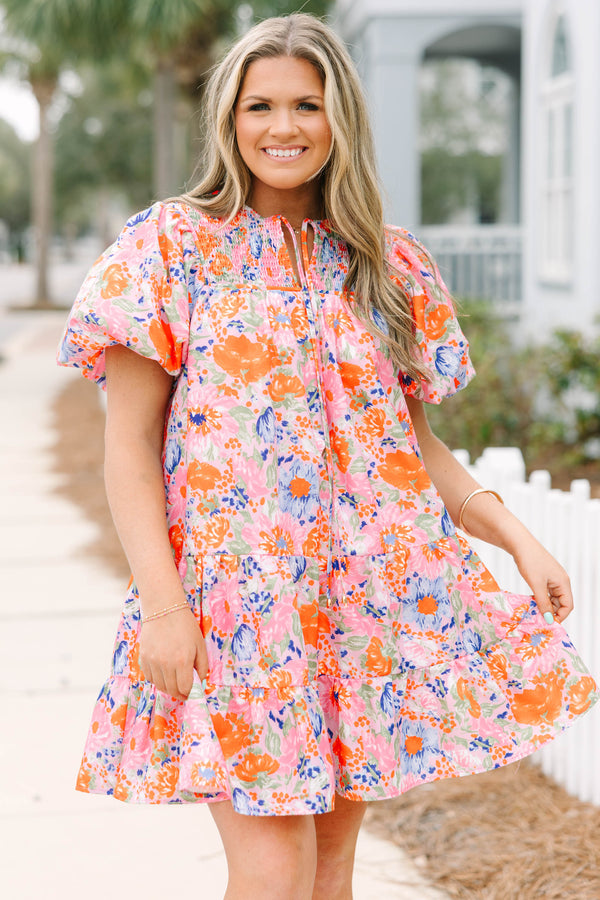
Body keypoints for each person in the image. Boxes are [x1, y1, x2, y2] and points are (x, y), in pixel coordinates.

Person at [58, 13, 598, 899]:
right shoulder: (170, 249)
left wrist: (515, 538)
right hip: (237, 614)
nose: (283, 127)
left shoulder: (386, 266)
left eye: (307, 104)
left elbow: (409, 449)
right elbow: (129, 447)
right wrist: (163, 607)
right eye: (258, 106)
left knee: (331, 870)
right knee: (274, 872)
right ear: (227, 121)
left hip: (358, 609)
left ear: (341, 116)